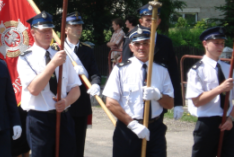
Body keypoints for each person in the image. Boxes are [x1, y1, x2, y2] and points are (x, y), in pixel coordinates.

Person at [17, 11, 81, 157]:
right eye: (43, 30)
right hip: (39, 120)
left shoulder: (62, 54)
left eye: (50, 30)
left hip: (63, 117)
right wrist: (53, 64)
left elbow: (75, 88)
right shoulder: (26, 58)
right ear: (33, 32)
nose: (48, 34)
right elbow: (34, 89)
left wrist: (66, 101)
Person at [103, 26, 174, 157]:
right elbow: (110, 102)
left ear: (152, 45)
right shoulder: (121, 70)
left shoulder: (162, 70)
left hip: (155, 129)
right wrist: (132, 124)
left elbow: (170, 104)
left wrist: (158, 96)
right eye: (137, 44)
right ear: (131, 47)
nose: (141, 47)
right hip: (128, 129)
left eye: (145, 43)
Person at [122, 3, 184, 120]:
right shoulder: (132, 39)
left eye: (154, 20)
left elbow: (173, 73)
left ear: (159, 21)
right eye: (148, 20)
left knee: (156, 130)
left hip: (158, 99)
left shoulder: (165, 43)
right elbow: (125, 69)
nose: (151, 23)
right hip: (135, 99)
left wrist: (178, 102)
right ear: (141, 21)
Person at [186, 27, 234, 157]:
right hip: (207, 123)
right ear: (205, 44)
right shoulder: (197, 70)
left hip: (227, 123)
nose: (220, 46)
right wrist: (220, 88)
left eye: (222, 43)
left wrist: (231, 118)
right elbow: (197, 101)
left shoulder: (228, 69)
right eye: (216, 43)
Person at [64, 12, 101, 157]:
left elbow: (95, 73)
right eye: (74, 25)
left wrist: (96, 84)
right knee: (63, 145)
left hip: (80, 105)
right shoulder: (57, 49)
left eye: (80, 25)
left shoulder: (87, 50)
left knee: (79, 146)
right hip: (63, 103)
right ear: (66, 29)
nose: (78, 28)